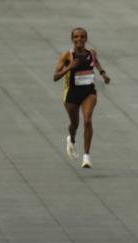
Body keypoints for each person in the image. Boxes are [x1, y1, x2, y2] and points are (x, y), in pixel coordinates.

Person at [53, 27, 110, 168]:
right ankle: (71, 139)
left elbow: (95, 62)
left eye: (82, 37)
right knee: (74, 125)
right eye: (76, 37)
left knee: (88, 120)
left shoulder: (91, 52)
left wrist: (103, 73)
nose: (79, 39)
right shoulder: (67, 55)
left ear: (86, 38)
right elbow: (55, 77)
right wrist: (69, 67)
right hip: (72, 94)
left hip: (89, 92)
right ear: (72, 39)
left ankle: (86, 157)